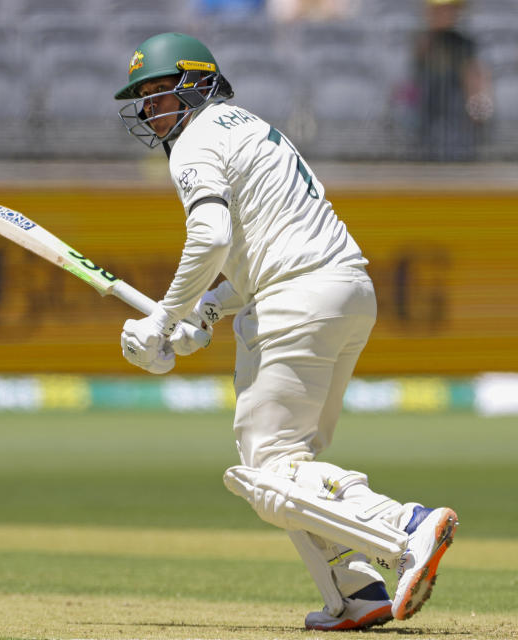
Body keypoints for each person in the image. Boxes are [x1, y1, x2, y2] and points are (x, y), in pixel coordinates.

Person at [113, 33, 458, 630]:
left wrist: (164, 318)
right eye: (143, 99)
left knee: (266, 471)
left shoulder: (193, 143)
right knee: (292, 465)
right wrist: (206, 315)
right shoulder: (247, 127)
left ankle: (403, 525)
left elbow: (212, 238)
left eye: (160, 93)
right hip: (345, 290)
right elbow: (254, 256)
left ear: (196, 84)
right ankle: (357, 594)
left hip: (296, 299)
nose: (151, 109)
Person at [412, 0, 493, 161]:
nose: (445, 14)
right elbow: (411, 80)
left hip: (456, 119)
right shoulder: (421, 42)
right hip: (425, 116)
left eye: (449, 10)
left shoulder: (465, 44)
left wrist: (478, 108)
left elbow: (475, 81)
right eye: (439, 10)